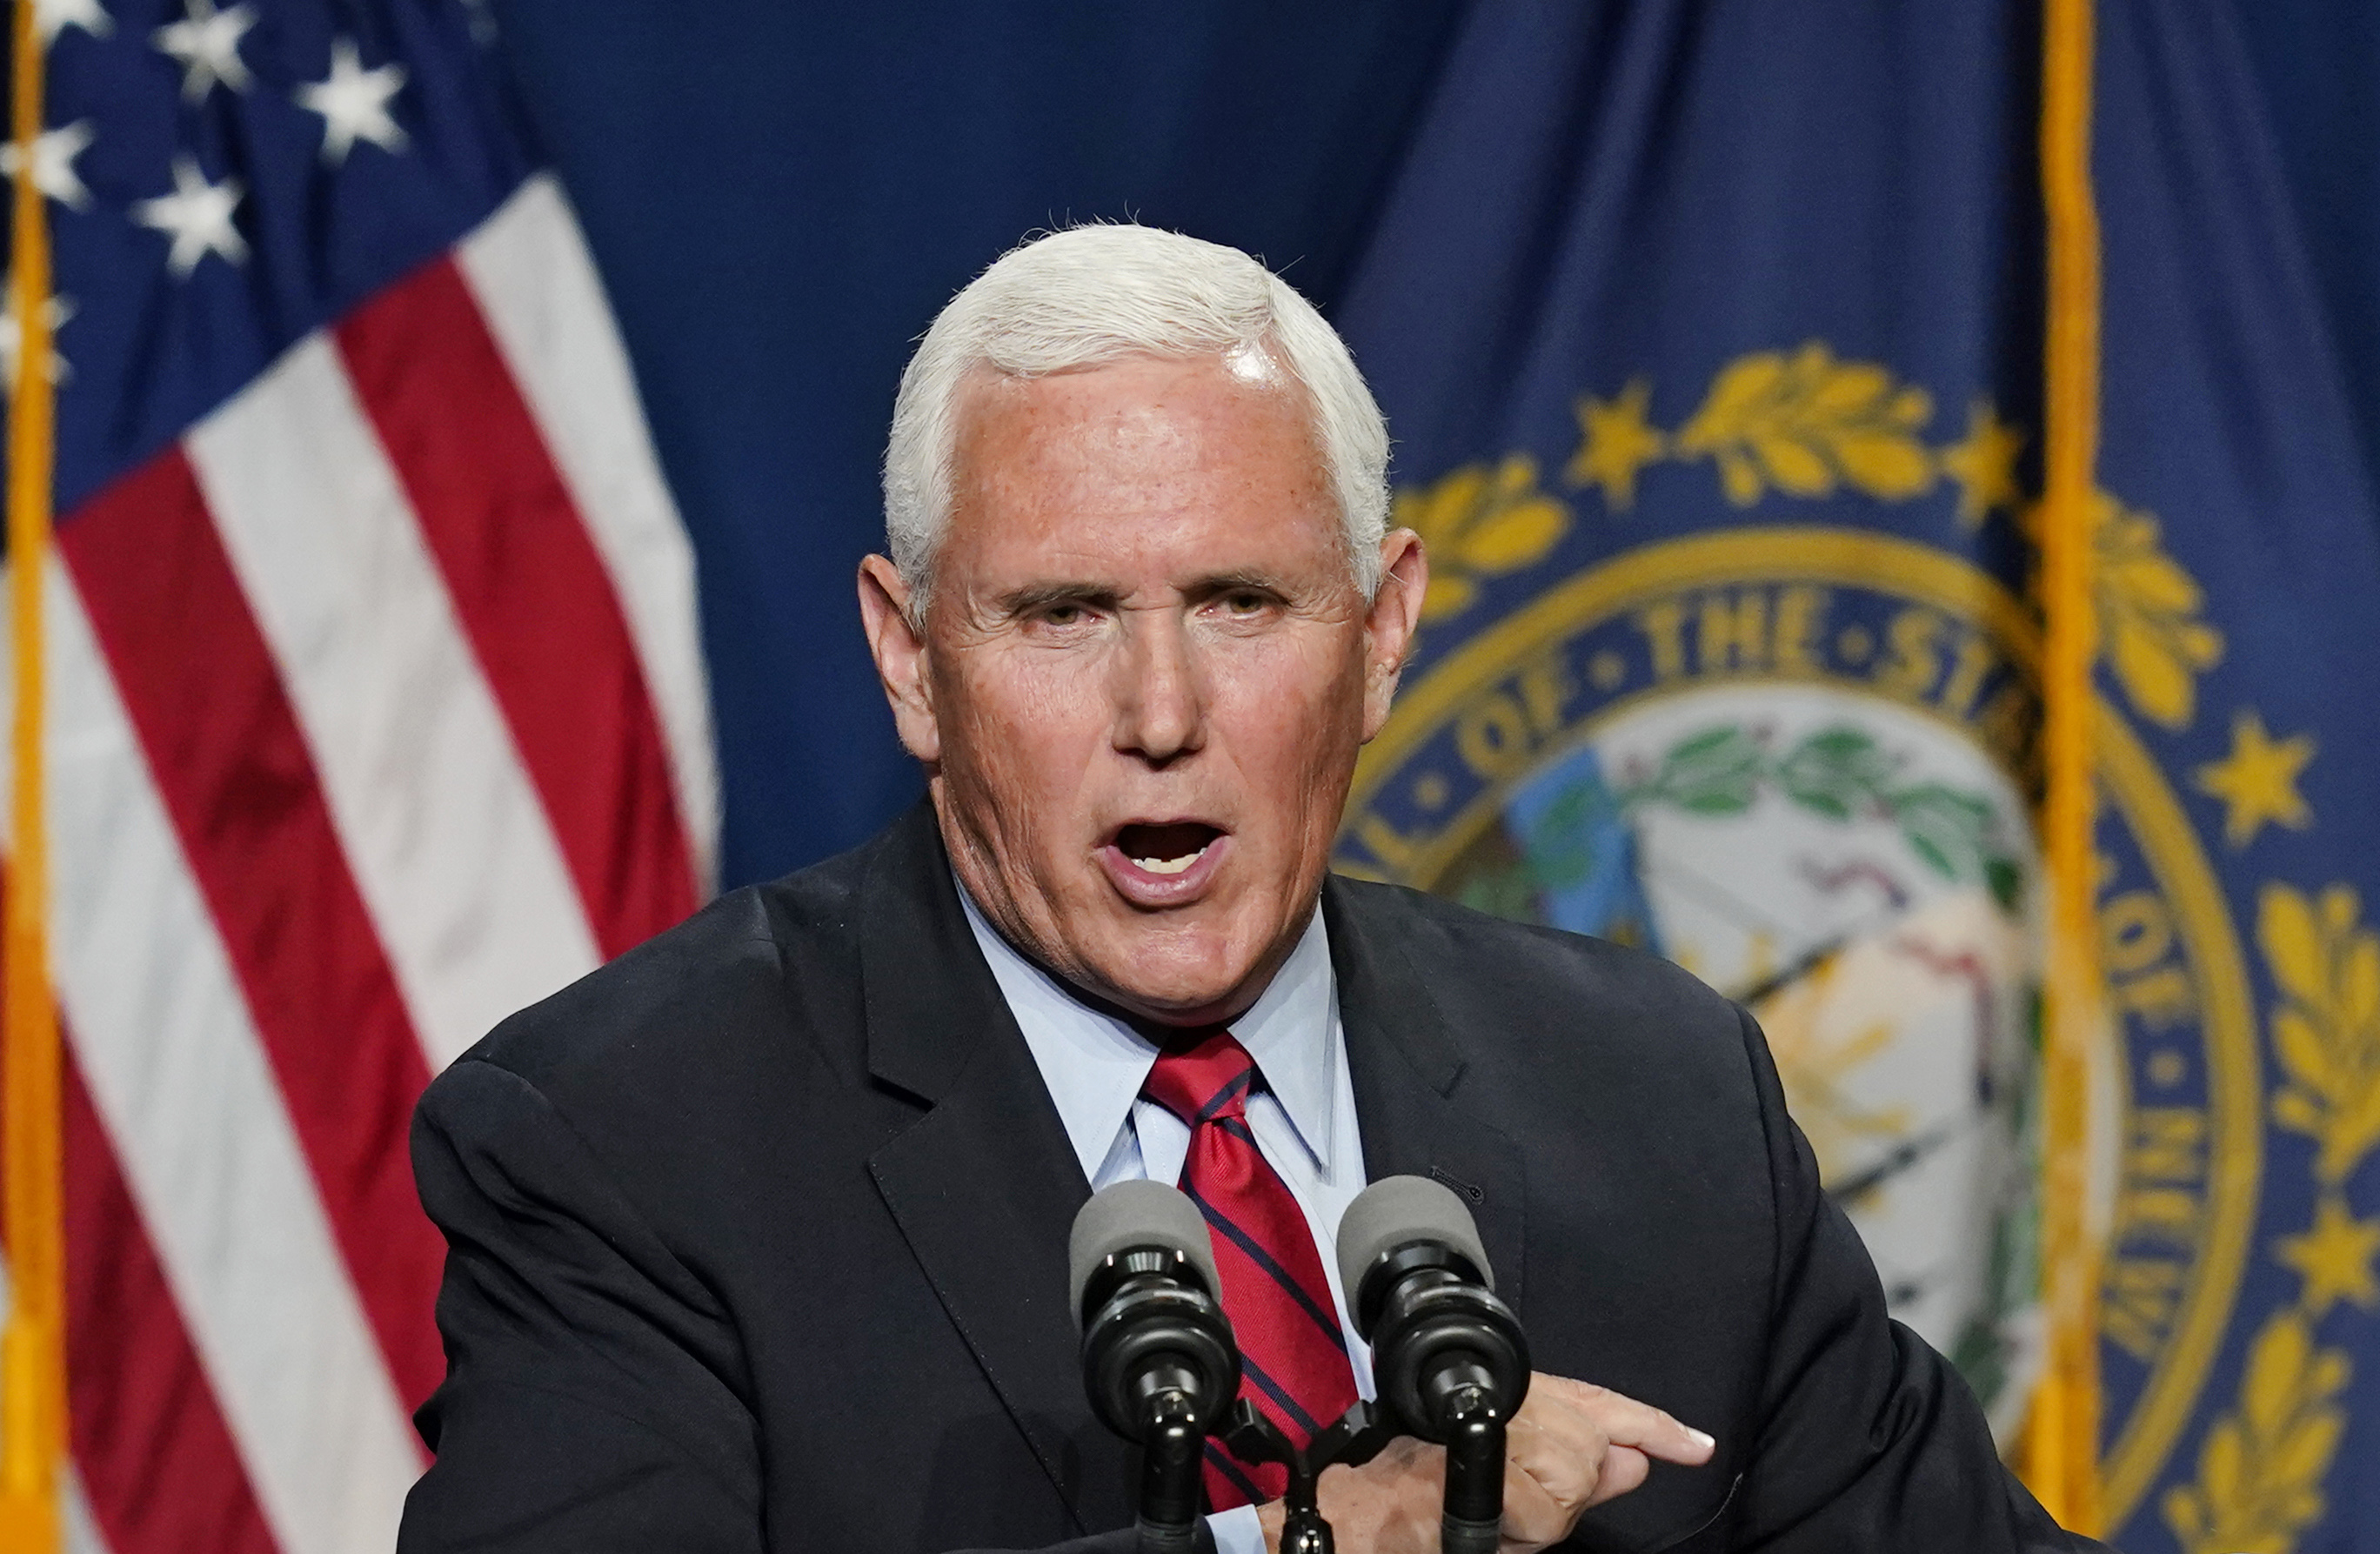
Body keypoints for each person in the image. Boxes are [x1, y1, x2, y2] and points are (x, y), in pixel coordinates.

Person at [398, 224, 2106, 1553]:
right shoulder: (624, 1139)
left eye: (1239, 602)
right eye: (1061, 614)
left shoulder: (1654, 1099)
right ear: (911, 660)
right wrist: (1304, 1535)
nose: (1160, 716)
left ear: (1379, 632)